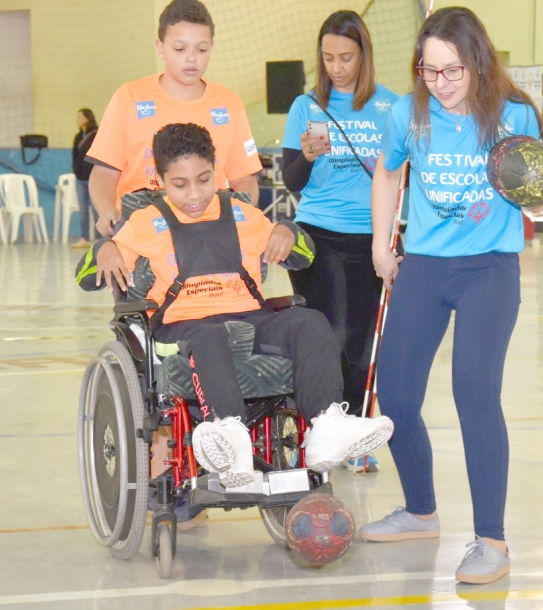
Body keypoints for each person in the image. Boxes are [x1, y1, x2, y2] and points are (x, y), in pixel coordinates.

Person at [80, 123, 394, 486]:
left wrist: (288, 231)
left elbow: (304, 256)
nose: (195, 194)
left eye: (204, 179)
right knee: (209, 336)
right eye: (180, 185)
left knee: (309, 323)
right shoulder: (144, 223)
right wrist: (102, 249)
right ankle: (229, 437)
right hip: (180, 325)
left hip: (248, 317)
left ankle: (326, 427)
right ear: (161, 181)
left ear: (217, 171)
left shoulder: (242, 214)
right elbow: (86, 276)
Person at [363, 7, 543, 585]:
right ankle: (421, 510)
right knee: (395, 395)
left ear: (477, 62)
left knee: (474, 392)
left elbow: (538, 201)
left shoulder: (514, 114)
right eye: (429, 70)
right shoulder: (407, 112)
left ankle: (491, 542)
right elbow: (387, 173)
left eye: (453, 71)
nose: (440, 83)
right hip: (423, 267)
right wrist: (380, 244)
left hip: (488, 271)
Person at [280, 10, 399, 473]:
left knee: (363, 343)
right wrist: (306, 157)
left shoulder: (392, 107)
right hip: (318, 232)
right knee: (328, 336)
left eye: (346, 57)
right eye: (328, 58)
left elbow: (400, 176)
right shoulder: (305, 106)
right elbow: (292, 181)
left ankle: (354, 437)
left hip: (371, 236)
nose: (336, 67)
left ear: (364, 55)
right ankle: (318, 431)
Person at [86, 0, 262, 237]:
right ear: (160, 48)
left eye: (201, 49)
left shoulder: (229, 104)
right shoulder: (129, 97)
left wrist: (240, 216)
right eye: (180, 49)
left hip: (208, 234)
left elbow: (245, 180)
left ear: (212, 47)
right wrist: (107, 211)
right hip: (140, 233)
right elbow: (103, 174)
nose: (191, 58)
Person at [72, 108, 99, 248]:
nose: (78, 119)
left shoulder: (96, 134)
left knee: (95, 209)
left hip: (92, 178)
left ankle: (100, 238)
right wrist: (75, 170)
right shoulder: (77, 136)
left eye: (80, 117)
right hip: (80, 178)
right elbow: (74, 155)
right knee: (83, 210)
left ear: (87, 118)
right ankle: (84, 237)